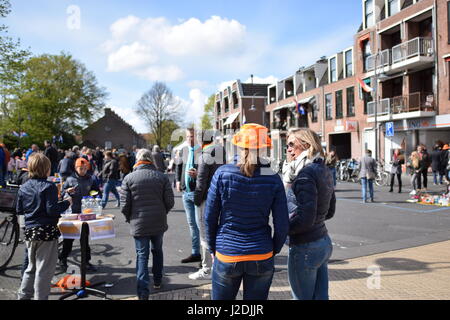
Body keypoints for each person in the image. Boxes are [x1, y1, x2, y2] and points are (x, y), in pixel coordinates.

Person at [204, 124, 289, 300]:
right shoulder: (273, 177)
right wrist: (273, 249)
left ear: (238, 145)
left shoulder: (222, 173)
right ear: (264, 146)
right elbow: (282, 223)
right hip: (261, 251)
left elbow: (210, 217)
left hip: (227, 251)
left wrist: (213, 247)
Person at [285, 128, 335, 300]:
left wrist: (283, 229)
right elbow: (330, 211)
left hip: (305, 246)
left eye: (292, 144)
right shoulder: (323, 168)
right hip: (323, 242)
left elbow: (305, 219)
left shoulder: (305, 173)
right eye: (287, 145)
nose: (288, 149)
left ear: (305, 144)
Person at [120, 149, 174, 300]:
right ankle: (157, 280)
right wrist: (162, 213)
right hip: (158, 220)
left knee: (142, 256)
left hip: (139, 222)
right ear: (151, 159)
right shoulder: (161, 177)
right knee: (157, 250)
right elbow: (170, 201)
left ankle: (143, 293)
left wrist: (129, 218)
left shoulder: (129, 178)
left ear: (137, 160)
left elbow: (124, 205)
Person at [16, 153, 72, 300]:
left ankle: (23, 296)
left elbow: (19, 209)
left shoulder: (24, 187)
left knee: (31, 268)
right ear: (47, 169)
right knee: (44, 270)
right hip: (46, 232)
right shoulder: (49, 187)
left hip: (29, 230)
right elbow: (52, 210)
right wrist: (67, 202)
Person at [190, 130, 225, 280]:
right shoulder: (221, 151)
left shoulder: (204, 154)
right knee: (218, 231)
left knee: (205, 233)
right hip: (220, 197)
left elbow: (202, 182)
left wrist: (196, 200)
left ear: (200, 141)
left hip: (206, 199)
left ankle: (206, 269)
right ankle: (218, 266)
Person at [58, 158, 101, 272]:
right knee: (69, 239)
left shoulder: (91, 179)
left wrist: (94, 195)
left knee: (84, 239)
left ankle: (86, 261)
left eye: (85, 168)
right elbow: (62, 194)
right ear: (76, 168)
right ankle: (63, 259)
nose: (83, 170)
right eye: (80, 168)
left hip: (86, 213)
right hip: (72, 213)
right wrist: (67, 191)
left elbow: (97, 192)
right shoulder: (70, 179)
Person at [176, 128, 202, 264]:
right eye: (187, 137)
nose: (189, 139)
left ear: (197, 137)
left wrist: (198, 174)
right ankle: (195, 252)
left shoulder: (203, 151)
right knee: (192, 224)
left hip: (198, 192)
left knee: (200, 224)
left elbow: (210, 172)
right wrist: (177, 180)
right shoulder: (184, 150)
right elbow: (178, 166)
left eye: (191, 136)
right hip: (186, 192)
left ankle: (208, 256)